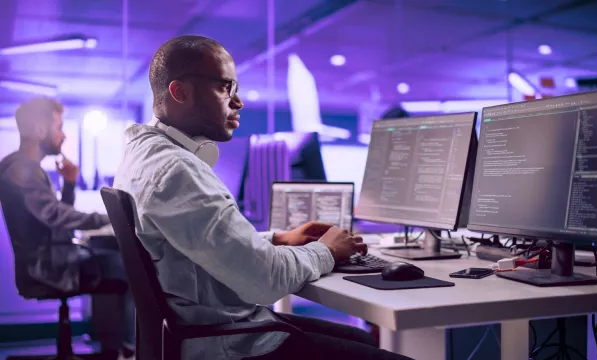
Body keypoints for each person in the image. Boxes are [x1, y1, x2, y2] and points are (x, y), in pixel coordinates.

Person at [113, 35, 413, 360]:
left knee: (360, 338)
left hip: (202, 329)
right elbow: (266, 282)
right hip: (228, 343)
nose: (238, 101)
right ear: (179, 91)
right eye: (225, 88)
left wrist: (277, 239)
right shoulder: (177, 170)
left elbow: (198, 243)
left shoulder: (143, 155)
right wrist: (326, 250)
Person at [0, 97, 135, 360]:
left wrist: (70, 184)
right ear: (40, 130)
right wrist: (110, 217)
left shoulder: (23, 167)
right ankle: (124, 351)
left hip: (46, 260)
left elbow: (53, 220)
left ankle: (113, 348)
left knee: (113, 264)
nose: (63, 136)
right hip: (49, 266)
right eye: (59, 127)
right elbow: (55, 216)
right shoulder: (21, 169)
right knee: (126, 269)